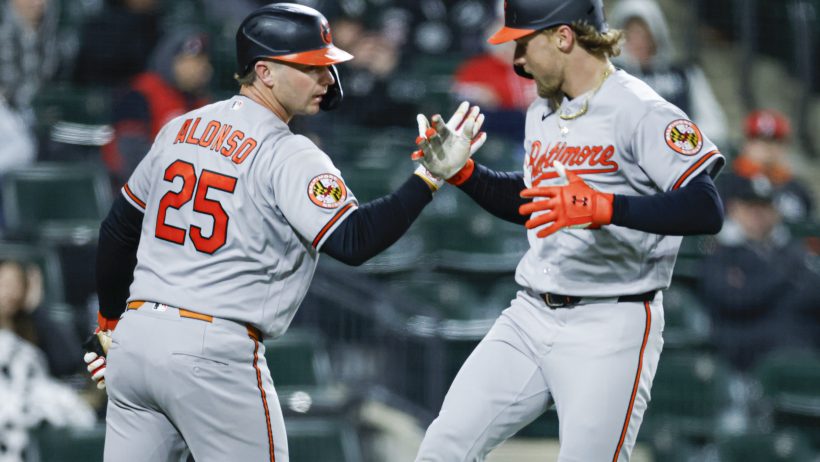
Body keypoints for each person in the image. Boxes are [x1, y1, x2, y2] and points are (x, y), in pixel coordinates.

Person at [80, 4, 484, 461]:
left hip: (137, 342)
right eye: (312, 67)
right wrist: (428, 179)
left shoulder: (181, 128)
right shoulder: (287, 151)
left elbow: (118, 228)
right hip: (212, 351)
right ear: (264, 72)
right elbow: (354, 242)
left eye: (327, 67)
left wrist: (109, 323)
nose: (328, 79)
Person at [411, 0, 725, 460]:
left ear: (562, 37)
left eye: (523, 44)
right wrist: (466, 175)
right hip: (530, 313)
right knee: (442, 448)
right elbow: (533, 201)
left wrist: (605, 207)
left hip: (611, 323)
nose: (516, 60)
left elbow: (706, 207)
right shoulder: (542, 111)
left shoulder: (640, 108)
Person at [697, 174, 820, 371]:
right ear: (734, 209)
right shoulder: (720, 251)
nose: (758, 214)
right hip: (746, 352)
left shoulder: (792, 249)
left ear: (776, 212)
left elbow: (814, 292)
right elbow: (735, 299)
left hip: (802, 343)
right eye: (750, 206)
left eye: (764, 207)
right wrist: (786, 278)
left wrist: (765, 284)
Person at [0, 260, 96, 462]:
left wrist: (36, 308)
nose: (9, 291)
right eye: (4, 282)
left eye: (16, 284)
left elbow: (66, 362)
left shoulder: (32, 328)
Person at [101, 27, 213, 187]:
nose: (199, 67)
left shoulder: (203, 102)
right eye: (188, 60)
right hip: (132, 190)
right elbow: (129, 155)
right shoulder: (140, 94)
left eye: (202, 61)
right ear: (169, 60)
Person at [609, 0, 728, 148]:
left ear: (656, 33)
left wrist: (678, 146)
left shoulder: (684, 75)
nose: (639, 41)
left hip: (681, 160)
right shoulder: (609, 79)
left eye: (644, 33)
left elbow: (715, 127)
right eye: (631, 34)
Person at [452, 16, 537, 140]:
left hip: (529, 121)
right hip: (494, 123)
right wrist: (478, 93)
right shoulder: (477, 67)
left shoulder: (533, 65)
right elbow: (457, 91)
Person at [725, 108, 814, 224]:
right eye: (760, 139)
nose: (768, 147)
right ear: (746, 144)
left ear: (785, 146)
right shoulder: (726, 183)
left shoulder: (797, 188)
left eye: (775, 141)